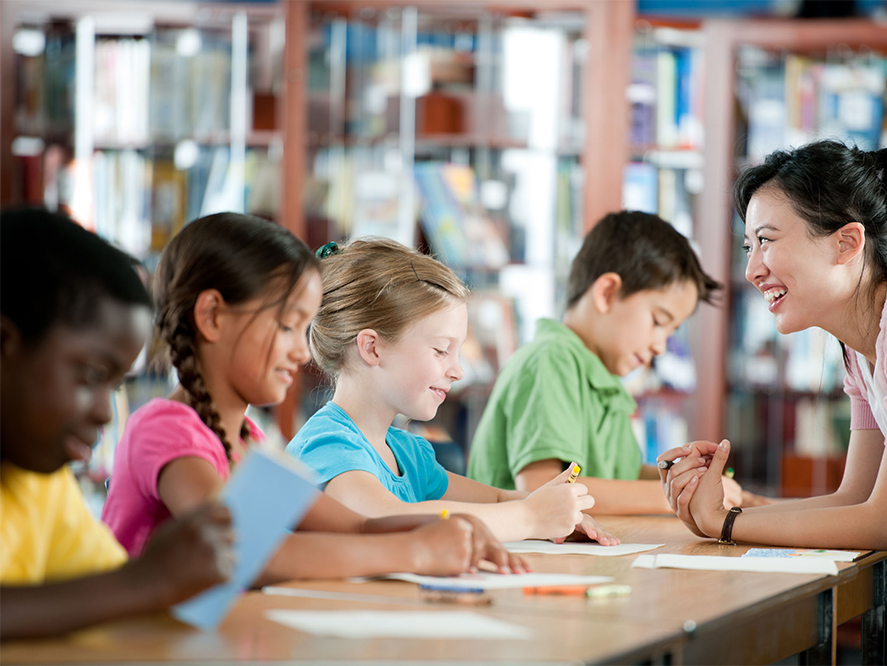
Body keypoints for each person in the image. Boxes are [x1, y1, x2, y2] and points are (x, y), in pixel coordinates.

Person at [102, 213, 523, 580]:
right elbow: (238, 554)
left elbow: (356, 527)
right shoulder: (165, 429)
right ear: (213, 317)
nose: (303, 352)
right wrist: (414, 550)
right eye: (286, 326)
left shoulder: (247, 441)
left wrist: (459, 527)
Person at [662, 140, 887, 550]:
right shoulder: (864, 340)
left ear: (847, 243)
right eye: (749, 246)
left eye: (766, 240)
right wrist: (720, 517)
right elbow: (855, 500)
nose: (752, 270)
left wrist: (725, 525)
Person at [288, 237, 618, 544]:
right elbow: (383, 517)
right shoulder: (327, 445)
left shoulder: (409, 454)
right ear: (372, 348)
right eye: (441, 350)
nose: (458, 371)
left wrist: (555, 512)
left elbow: (498, 499)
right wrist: (530, 517)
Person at [0, 208, 234, 640]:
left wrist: (158, 579)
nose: (107, 413)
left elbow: (99, 598)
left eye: (116, 383)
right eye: (91, 375)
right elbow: (124, 589)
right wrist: (144, 581)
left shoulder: (41, 485)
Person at [466, 210, 762, 514]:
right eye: (659, 321)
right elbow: (542, 489)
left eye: (671, 332)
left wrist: (692, 482)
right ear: (606, 293)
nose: (660, 346)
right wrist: (673, 497)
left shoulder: (605, 384)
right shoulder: (550, 360)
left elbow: (620, 478)